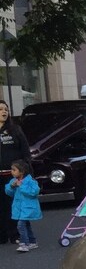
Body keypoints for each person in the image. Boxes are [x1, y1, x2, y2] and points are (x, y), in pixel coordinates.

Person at [0, 100, 31, 244]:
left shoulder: (15, 129)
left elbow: (25, 152)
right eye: (0, 109)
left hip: (13, 176)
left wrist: (24, 171)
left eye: (6, 109)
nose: (4, 112)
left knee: (15, 205)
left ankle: (16, 234)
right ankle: (2, 235)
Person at [5, 159, 41, 252]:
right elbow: (9, 192)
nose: (12, 172)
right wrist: (11, 187)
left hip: (28, 207)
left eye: (14, 170)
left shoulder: (30, 181)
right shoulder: (13, 180)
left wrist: (21, 186)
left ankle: (24, 243)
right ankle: (33, 241)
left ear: (22, 171)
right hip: (19, 207)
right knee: (26, 224)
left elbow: (34, 192)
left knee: (21, 225)